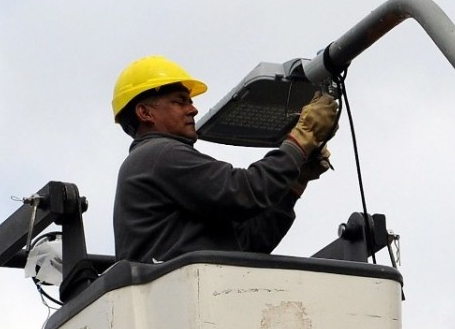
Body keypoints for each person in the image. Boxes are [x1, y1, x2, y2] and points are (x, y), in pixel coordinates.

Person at [111, 56, 338, 263]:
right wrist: (300, 139)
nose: (193, 109)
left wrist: (295, 182)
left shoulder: (155, 162)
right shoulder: (159, 155)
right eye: (180, 102)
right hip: (183, 289)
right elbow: (244, 191)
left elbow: (248, 243)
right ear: (145, 113)